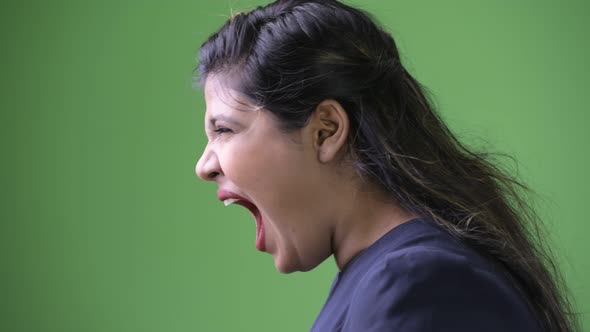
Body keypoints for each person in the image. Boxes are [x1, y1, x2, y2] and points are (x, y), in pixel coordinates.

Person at [193, 0, 579, 331]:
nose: (204, 165)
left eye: (224, 129)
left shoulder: (415, 283)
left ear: (325, 131)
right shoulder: (385, 279)